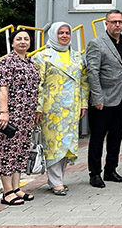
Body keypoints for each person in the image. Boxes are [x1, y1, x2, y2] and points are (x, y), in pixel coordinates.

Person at [0, 29, 40, 206]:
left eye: (26, 39)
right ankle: (7, 192)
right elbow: (3, 88)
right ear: (12, 42)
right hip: (11, 113)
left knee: (20, 150)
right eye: (19, 39)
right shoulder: (7, 62)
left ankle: (16, 188)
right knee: (7, 151)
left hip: (26, 115)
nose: (23, 42)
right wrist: (4, 112)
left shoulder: (30, 62)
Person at [34, 22, 89, 195]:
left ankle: (58, 179)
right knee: (53, 145)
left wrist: (83, 103)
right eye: (60, 33)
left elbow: (83, 82)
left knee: (67, 144)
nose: (64, 36)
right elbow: (37, 84)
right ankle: (55, 181)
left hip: (72, 108)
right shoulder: (42, 57)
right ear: (53, 35)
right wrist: (38, 107)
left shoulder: (77, 56)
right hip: (52, 109)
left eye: (67, 33)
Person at [86, 10, 122, 188]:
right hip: (102, 101)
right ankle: (94, 173)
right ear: (106, 24)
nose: (117, 25)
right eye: (114, 22)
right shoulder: (96, 43)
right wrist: (97, 97)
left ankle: (111, 170)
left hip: (121, 98)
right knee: (97, 138)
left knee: (116, 137)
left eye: (120, 22)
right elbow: (92, 72)